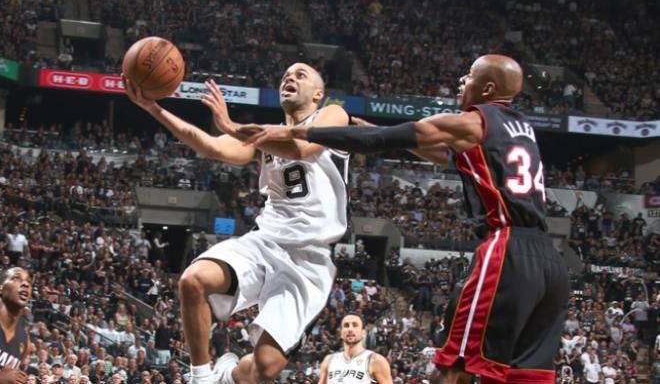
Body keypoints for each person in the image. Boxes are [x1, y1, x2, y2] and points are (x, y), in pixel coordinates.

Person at [244, 55, 569, 384]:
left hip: (509, 248)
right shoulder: (522, 127)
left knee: (454, 366)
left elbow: (382, 141)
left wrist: (307, 131)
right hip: (551, 263)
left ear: (487, 88)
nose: (461, 81)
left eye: (469, 76)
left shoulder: (473, 121)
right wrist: (380, 134)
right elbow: (446, 155)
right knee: (525, 375)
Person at [122, 62, 351, 384]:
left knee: (266, 368)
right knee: (193, 280)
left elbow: (302, 147)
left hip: (308, 260)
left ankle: (226, 375)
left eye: (300, 75)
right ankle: (201, 376)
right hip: (265, 241)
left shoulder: (333, 116)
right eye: (286, 74)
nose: (290, 77)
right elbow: (208, 145)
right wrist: (154, 108)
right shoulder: (263, 138)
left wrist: (231, 126)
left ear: (318, 94)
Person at [318, 314, 391, 384]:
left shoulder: (375, 360)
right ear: (341, 333)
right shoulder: (329, 360)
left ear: (363, 332)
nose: (350, 329)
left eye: (355, 325)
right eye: (346, 325)